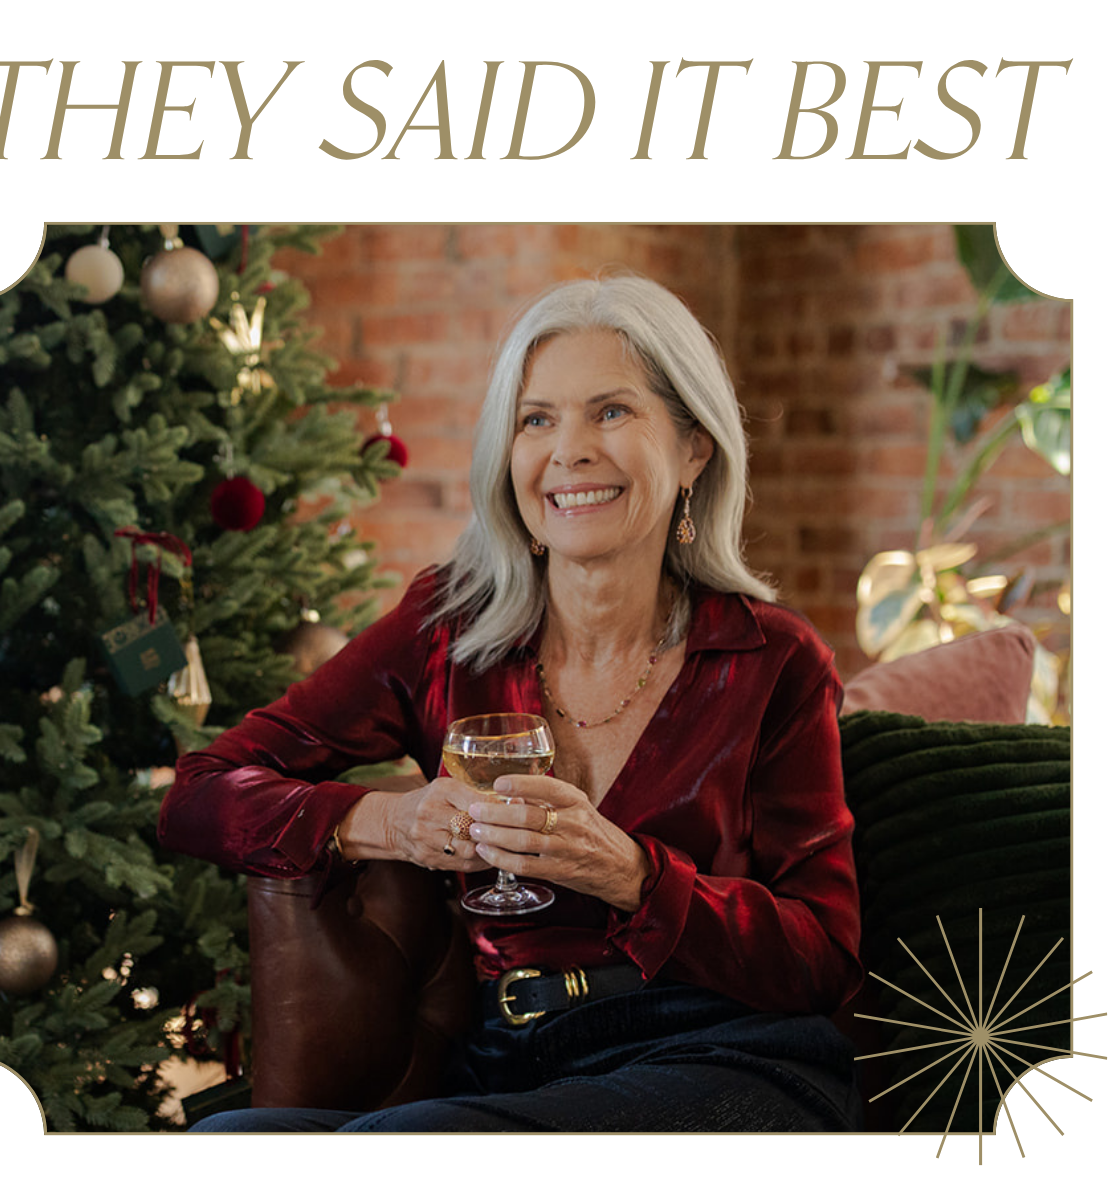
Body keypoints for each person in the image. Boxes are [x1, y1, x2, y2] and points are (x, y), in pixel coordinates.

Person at [159, 273, 863, 1133]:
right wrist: (396, 823)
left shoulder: (771, 658)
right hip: (513, 1056)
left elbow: (823, 958)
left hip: (726, 1061)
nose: (568, 450)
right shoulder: (446, 630)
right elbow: (200, 790)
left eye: (611, 412)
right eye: (537, 419)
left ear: (693, 449)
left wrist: (634, 875)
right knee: (227, 1134)